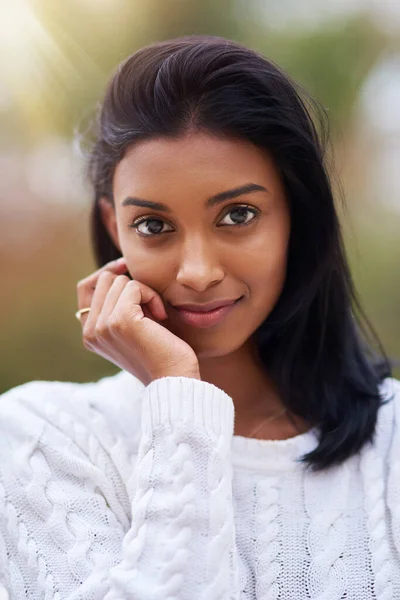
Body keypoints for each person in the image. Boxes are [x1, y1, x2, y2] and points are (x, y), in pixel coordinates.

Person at [0, 34, 399, 600]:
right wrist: (177, 398)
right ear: (115, 228)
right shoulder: (39, 439)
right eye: (154, 226)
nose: (197, 271)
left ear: (296, 217)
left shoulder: (390, 445)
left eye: (238, 214)